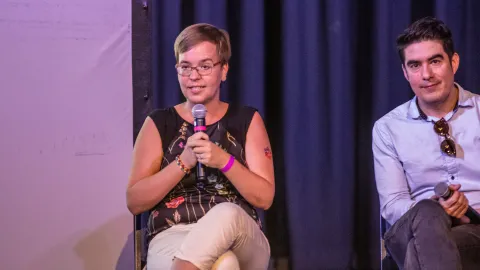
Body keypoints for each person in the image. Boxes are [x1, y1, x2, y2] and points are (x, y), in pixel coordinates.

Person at [126, 23, 274, 270]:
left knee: (227, 214)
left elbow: (265, 198)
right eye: (185, 67)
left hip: (241, 236)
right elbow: (135, 202)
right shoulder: (159, 123)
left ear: (223, 70)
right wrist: (184, 162)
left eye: (205, 67)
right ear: (177, 70)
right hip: (173, 235)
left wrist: (223, 161)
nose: (193, 76)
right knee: (225, 265)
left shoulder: (246, 120)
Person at [372, 17, 480, 269]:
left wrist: (468, 210)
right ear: (405, 72)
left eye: (435, 61)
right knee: (427, 213)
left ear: (453, 62)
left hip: (474, 229)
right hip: (410, 227)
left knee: (421, 251)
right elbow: (392, 204)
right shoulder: (388, 128)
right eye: (415, 65)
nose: (426, 75)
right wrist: (437, 208)